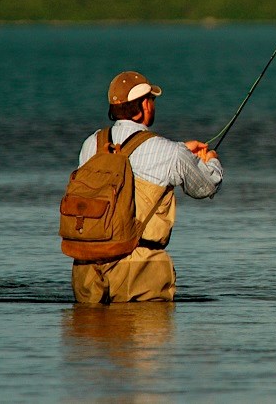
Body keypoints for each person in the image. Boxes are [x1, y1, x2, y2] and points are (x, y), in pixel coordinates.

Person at [70, 70, 223, 303]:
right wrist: (211, 159)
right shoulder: (170, 153)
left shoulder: (92, 144)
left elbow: (130, 158)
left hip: (87, 269)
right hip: (139, 270)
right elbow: (205, 187)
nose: (153, 104)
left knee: (93, 338)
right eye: (151, 99)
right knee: (146, 336)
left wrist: (181, 149)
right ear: (143, 105)